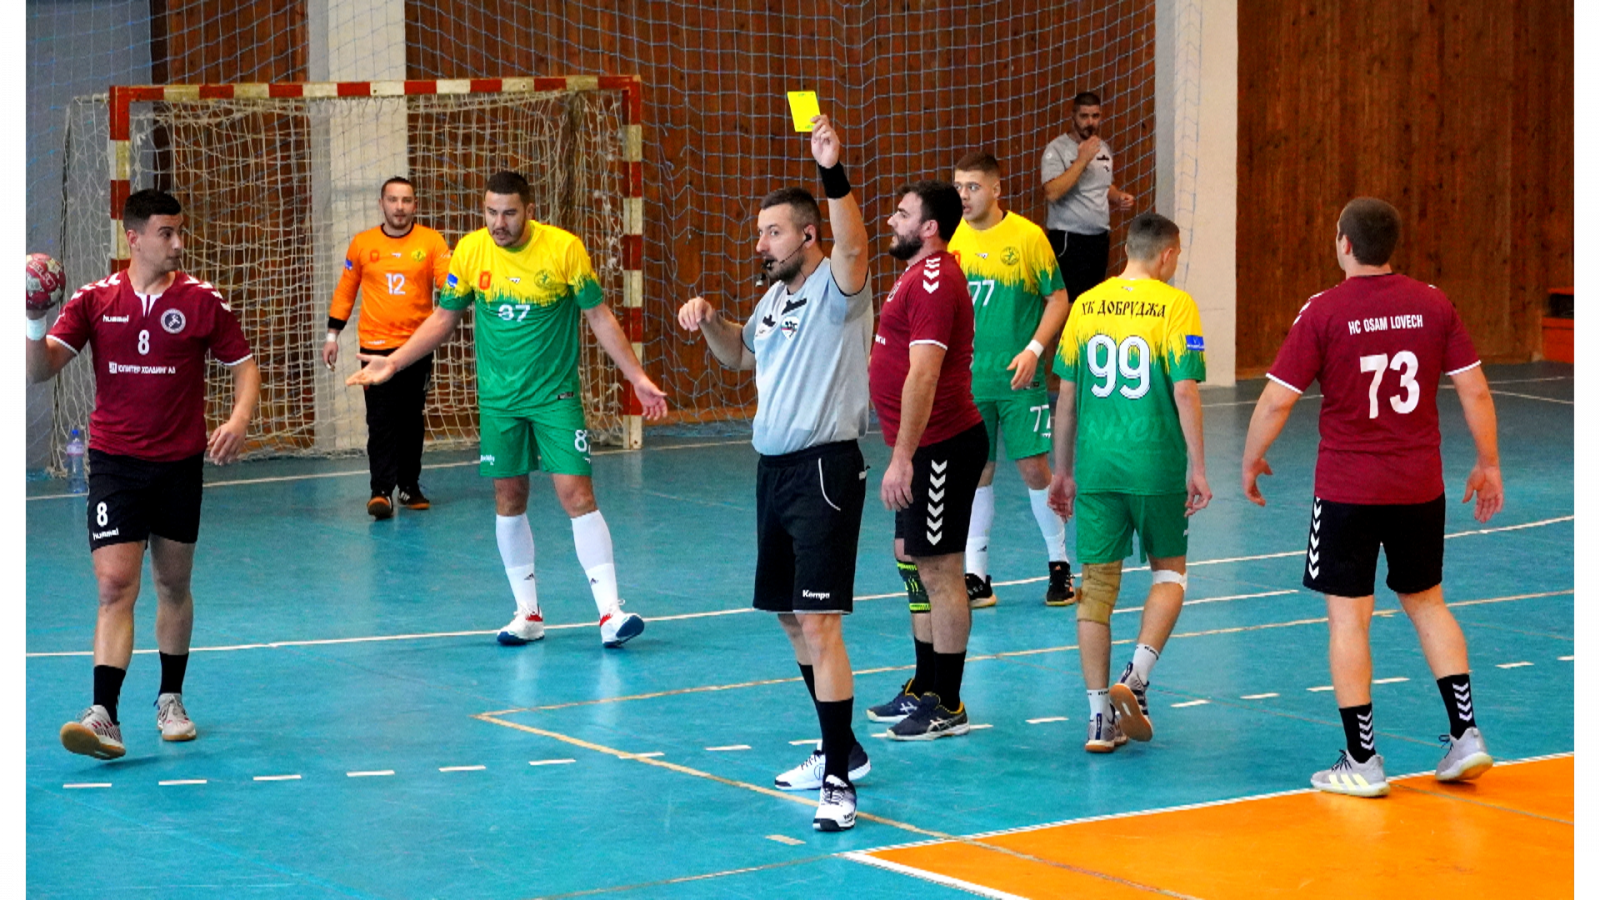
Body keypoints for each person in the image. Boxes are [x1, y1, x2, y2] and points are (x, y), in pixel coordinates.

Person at [1242, 197, 1503, 798]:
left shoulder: (1323, 311)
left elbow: (1278, 400)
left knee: (1348, 617)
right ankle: (1466, 735)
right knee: (1428, 603)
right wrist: (1488, 464)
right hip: (1419, 486)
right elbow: (1475, 391)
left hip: (1348, 490)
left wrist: (1251, 457)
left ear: (1344, 243)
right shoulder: (1433, 303)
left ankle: (1362, 760)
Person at [348, 171, 666, 649]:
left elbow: (599, 316)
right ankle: (528, 614)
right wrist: (393, 362)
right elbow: (443, 318)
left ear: (529, 211)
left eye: (509, 213)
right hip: (499, 402)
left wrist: (637, 377)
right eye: (491, 212)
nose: (499, 222)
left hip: (555, 397)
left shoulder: (564, 250)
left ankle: (610, 613)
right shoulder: (471, 251)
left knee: (577, 496)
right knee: (509, 500)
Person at [676, 113, 871, 832]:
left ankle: (839, 782)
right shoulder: (775, 298)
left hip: (824, 469)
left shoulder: (839, 289)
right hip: (774, 473)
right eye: (760, 234)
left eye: (773, 233)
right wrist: (711, 319)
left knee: (819, 622)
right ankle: (840, 747)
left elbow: (854, 243)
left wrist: (831, 169)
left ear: (807, 235)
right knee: (791, 617)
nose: (760, 244)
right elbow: (739, 355)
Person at [25, 188, 261, 760]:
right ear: (133, 238)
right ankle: (103, 714)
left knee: (172, 584)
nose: (177, 243)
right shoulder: (95, 300)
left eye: (180, 232)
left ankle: (171, 699)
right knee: (114, 585)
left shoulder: (201, 301)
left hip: (178, 464)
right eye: (166, 233)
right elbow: (40, 370)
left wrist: (238, 420)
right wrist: (33, 320)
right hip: (115, 463)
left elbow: (244, 365)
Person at [1046, 212, 1210, 754]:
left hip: (1097, 468)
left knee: (1095, 591)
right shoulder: (1176, 305)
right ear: (1167, 254)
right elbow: (1184, 390)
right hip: (1155, 466)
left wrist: (1063, 471)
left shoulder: (1087, 304)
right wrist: (1198, 467)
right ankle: (1136, 677)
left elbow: (1066, 397)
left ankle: (1099, 719)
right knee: (1170, 574)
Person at [866, 180, 988, 743]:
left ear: (930, 228)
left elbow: (925, 373)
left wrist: (902, 458)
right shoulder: (915, 275)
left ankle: (949, 702)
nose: (892, 221)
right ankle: (925, 683)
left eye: (902, 214)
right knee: (910, 557)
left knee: (940, 569)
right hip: (919, 446)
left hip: (939, 446)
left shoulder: (936, 279)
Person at [948, 152, 1075, 609]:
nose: (964, 196)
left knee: (1034, 469)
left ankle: (1060, 566)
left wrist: (1034, 350)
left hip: (1020, 379)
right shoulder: (950, 239)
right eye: (958, 187)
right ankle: (977, 575)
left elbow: (1058, 299)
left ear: (996, 189)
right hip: (968, 380)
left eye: (973, 187)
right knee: (975, 472)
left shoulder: (1027, 237)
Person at [322, 176, 452, 519]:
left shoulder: (431, 241)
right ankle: (380, 491)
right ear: (381, 204)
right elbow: (346, 290)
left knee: (411, 419)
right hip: (375, 349)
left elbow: (449, 283)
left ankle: (409, 486)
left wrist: (463, 291)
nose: (399, 207)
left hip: (417, 347)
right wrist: (332, 336)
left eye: (406, 200)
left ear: (415, 205)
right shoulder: (363, 244)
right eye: (393, 200)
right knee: (380, 421)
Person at [1042, 91, 1135, 301]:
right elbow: (1052, 192)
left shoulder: (1102, 148)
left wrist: (1118, 196)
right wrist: (1082, 160)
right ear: (1073, 116)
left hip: (1099, 239)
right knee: (1069, 302)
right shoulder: (1057, 149)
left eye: (1095, 116)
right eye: (1084, 116)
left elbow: (1103, 185)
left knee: (1092, 302)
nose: (1090, 122)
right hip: (1069, 239)